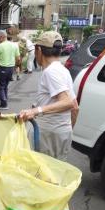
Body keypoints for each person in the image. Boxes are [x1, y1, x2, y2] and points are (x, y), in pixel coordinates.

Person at [18, 31, 79, 161]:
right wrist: (67, 130)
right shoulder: (63, 70)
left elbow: (68, 102)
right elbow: (75, 108)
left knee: (43, 175)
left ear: (39, 50)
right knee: (56, 174)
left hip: (47, 134)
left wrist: (36, 111)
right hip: (62, 133)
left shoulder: (51, 72)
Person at [0, 30, 20, 110]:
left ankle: (4, 104)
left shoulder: (0, 47)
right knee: (5, 86)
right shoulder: (14, 45)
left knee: (1, 86)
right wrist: (16, 66)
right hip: (11, 69)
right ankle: (5, 101)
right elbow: (18, 59)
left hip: (3, 68)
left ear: (1, 37)